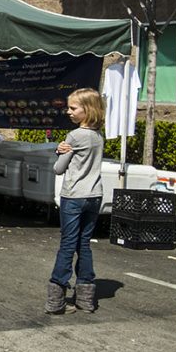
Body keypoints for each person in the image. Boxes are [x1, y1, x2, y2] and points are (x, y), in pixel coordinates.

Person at [46, 88, 105, 315]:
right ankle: (86, 298)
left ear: (87, 110)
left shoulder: (75, 136)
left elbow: (58, 168)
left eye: (73, 108)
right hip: (94, 195)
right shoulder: (99, 136)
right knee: (84, 244)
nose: (68, 112)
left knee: (68, 244)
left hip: (74, 195)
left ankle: (56, 298)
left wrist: (60, 150)